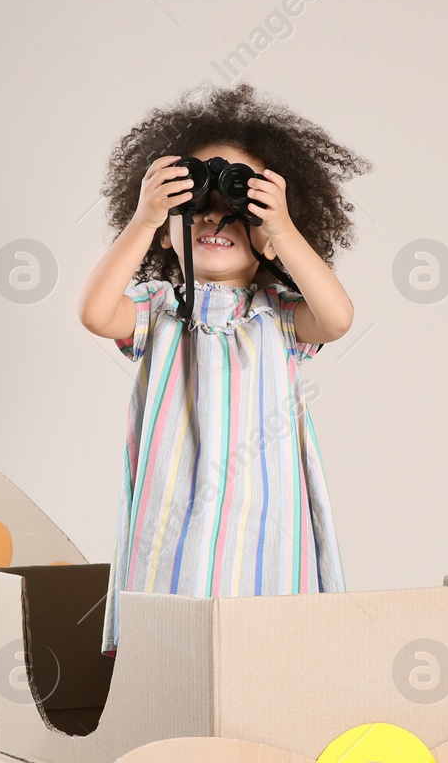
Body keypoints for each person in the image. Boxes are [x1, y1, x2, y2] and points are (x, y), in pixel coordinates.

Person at [77, 82, 371, 656]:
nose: (217, 218)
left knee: (263, 636)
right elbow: (94, 312)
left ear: (264, 237)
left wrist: (280, 229)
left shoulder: (278, 315)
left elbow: (336, 319)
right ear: (169, 231)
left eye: (238, 213)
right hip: (174, 510)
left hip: (264, 516)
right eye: (195, 208)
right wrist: (144, 218)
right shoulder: (160, 310)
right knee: (174, 635)